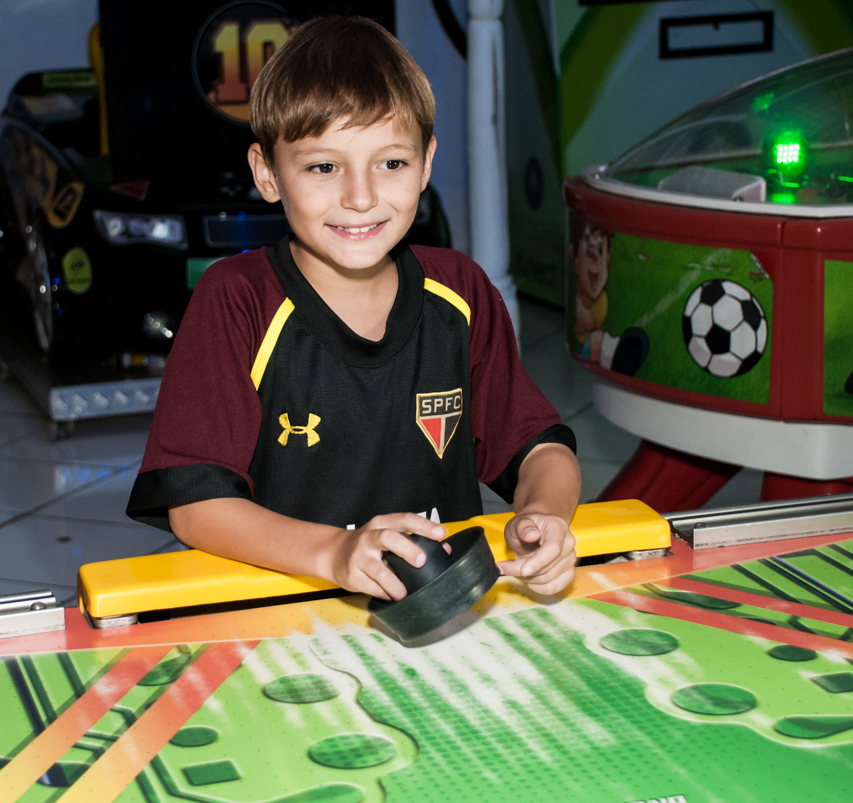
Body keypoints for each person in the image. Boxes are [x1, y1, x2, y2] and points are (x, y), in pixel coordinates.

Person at [127, 16, 580, 602]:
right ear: (267, 174)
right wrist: (336, 554)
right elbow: (194, 505)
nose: (360, 197)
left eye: (391, 163)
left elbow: (540, 447)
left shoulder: (461, 292)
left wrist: (546, 515)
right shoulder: (236, 299)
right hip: (282, 620)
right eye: (323, 166)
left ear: (426, 163)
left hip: (440, 618)